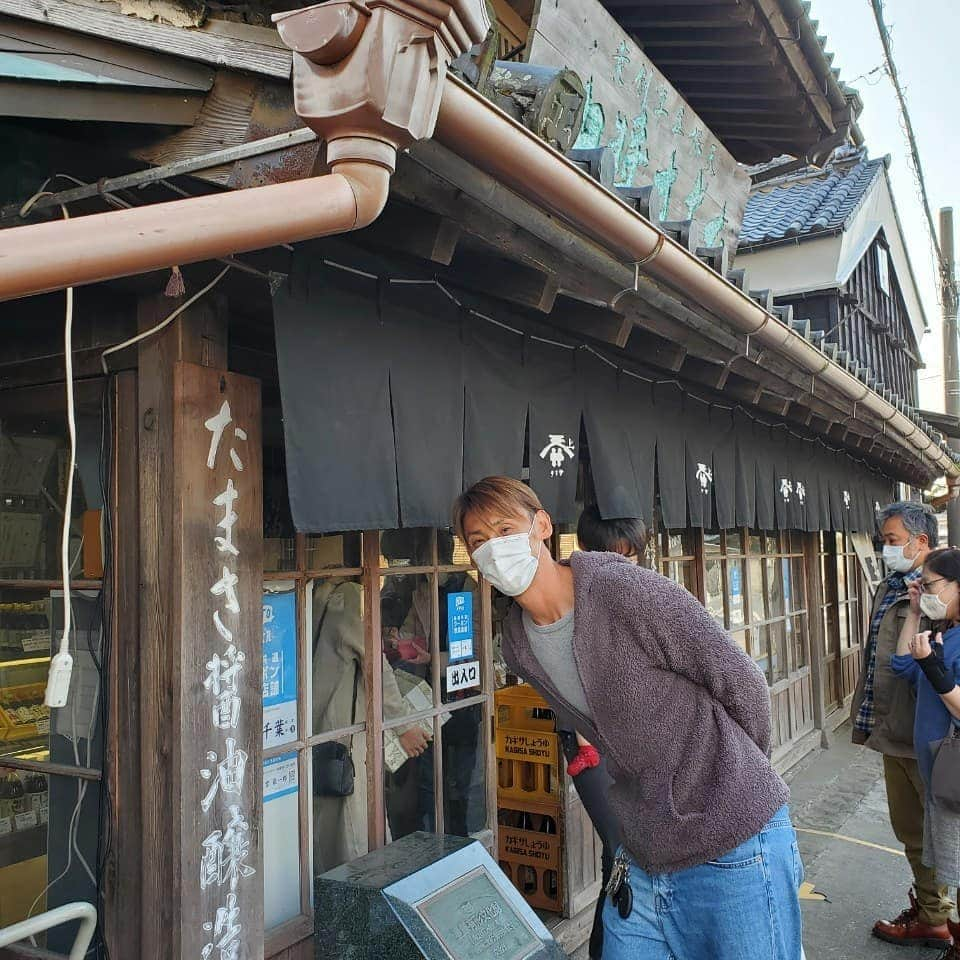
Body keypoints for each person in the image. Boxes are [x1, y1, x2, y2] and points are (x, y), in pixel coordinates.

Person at [453, 477, 802, 960]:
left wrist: (737, 781)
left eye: (504, 528)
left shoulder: (621, 587)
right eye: (477, 541)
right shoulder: (517, 640)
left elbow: (739, 679)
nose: (493, 547)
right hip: (643, 850)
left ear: (542, 526)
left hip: (734, 840)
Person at [850, 501, 953, 947]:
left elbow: (927, 665)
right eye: (884, 541)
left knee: (937, 835)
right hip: (893, 727)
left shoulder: (941, 591)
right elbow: (886, 659)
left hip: (928, 735)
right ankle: (932, 914)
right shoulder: (895, 586)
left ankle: (938, 917)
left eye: (892, 541)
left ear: (921, 541)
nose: (886, 549)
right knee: (912, 832)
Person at [559, 506, 647, 960]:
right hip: (589, 744)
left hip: (631, 745)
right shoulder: (573, 599)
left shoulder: (638, 597)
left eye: (631, 557)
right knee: (622, 851)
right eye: (614, 555)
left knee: (619, 854)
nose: (623, 566)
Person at [311, 576, 429, 872]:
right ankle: (359, 886)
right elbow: (377, 669)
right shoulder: (352, 598)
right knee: (353, 819)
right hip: (346, 729)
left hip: (314, 724)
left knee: (323, 816)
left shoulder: (315, 594)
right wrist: (403, 726)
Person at [892, 546, 960, 956]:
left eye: (931, 585)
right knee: (951, 863)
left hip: (953, 768)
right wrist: (916, 611)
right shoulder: (947, 632)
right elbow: (902, 666)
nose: (925, 590)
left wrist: (932, 666)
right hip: (939, 767)